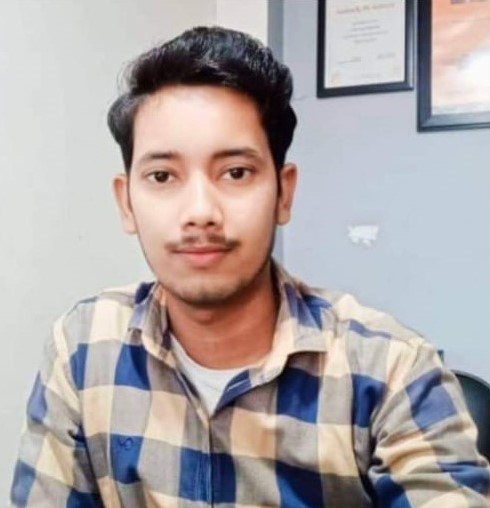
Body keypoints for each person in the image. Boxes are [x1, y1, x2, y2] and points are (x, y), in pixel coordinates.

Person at [9, 26, 490, 507]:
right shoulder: (83, 349)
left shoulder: (392, 370)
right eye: (162, 176)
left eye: (236, 173)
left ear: (284, 193)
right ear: (126, 203)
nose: (200, 211)